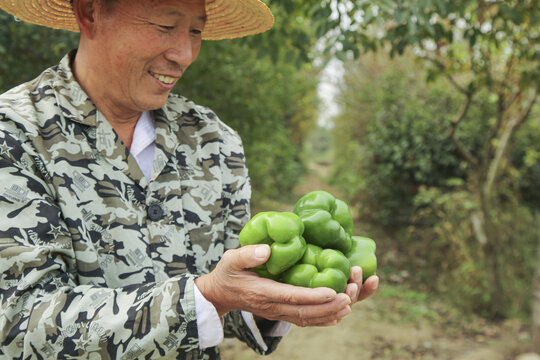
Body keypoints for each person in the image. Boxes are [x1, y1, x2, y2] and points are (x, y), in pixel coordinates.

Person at [0, 0, 379, 358]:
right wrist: (207, 297)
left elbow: (233, 290)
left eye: (196, 31)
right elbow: (18, 323)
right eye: (166, 25)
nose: (184, 54)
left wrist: (279, 298)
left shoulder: (212, 140)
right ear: (90, 11)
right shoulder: (15, 134)